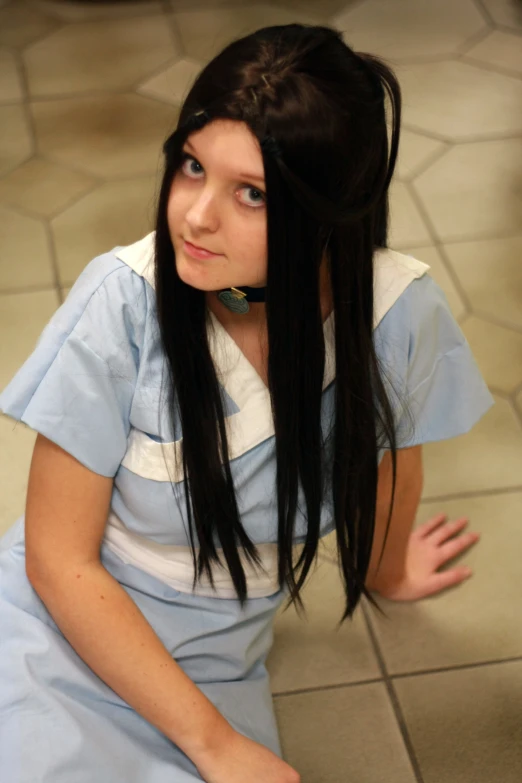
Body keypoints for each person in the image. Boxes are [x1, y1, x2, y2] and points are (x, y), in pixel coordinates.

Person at [0, 23, 494, 783]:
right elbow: (57, 559)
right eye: (191, 167)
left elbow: (393, 464)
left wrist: (389, 572)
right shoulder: (121, 302)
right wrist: (215, 745)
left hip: (216, 660)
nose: (195, 216)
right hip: (60, 622)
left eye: (251, 193)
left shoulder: (394, 315)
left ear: (326, 211)